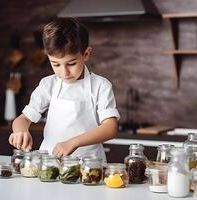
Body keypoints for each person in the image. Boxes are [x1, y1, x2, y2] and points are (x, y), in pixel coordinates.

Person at [8, 17, 120, 160]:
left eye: (71, 63)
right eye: (56, 64)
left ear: (86, 54)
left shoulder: (100, 86)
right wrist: (20, 131)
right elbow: (23, 119)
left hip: (89, 166)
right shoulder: (48, 85)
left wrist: (74, 142)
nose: (64, 72)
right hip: (50, 164)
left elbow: (110, 128)